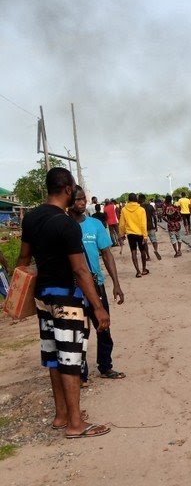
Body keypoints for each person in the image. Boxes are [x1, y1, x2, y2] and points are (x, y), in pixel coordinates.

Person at [16, 167, 111, 439]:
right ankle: (75, 425)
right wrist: (98, 307)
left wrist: (15, 298)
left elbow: (23, 260)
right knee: (70, 359)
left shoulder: (31, 218)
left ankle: (62, 416)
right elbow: (81, 271)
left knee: (54, 357)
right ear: (68, 189)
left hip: (43, 298)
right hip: (66, 299)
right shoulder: (67, 224)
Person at [69, 188, 126, 382]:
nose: (82, 203)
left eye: (83, 199)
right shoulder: (64, 226)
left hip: (96, 285)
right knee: (78, 332)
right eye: (78, 200)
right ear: (69, 202)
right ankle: (80, 375)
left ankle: (105, 366)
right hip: (74, 288)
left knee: (103, 327)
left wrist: (116, 284)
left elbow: (107, 255)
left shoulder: (95, 225)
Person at [119, 193, 149, 277]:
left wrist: (122, 234)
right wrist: (145, 236)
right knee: (142, 251)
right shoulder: (141, 209)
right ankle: (144, 269)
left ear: (128, 200)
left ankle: (138, 271)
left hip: (130, 233)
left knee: (133, 251)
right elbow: (143, 224)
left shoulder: (124, 210)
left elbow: (121, 224)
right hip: (140, 233)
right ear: (136, 199)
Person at [139, 193, 162, 261]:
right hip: (150, 226)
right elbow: (154, 217)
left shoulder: (139, 208)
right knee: (154, 240)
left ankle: (148, 256)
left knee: (144, 243)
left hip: (142, 228)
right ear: (145, 199)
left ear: (139, 199)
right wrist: (156, 226)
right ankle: (155, 250)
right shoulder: (150, 206)